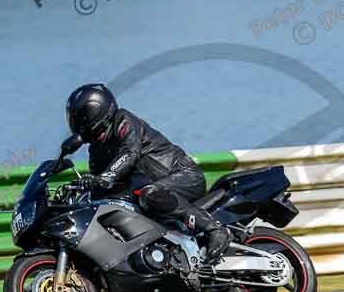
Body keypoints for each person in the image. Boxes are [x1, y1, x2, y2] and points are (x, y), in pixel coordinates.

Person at [65, 83, 232, 262]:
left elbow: (130, 152)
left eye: (80, 116)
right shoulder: (96, 149)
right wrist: (84, 189)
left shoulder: (123, 121)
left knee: (149, 194)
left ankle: (215, 230)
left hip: (183, 175)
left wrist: (107, 177)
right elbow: (100, 184)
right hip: (157, 188)